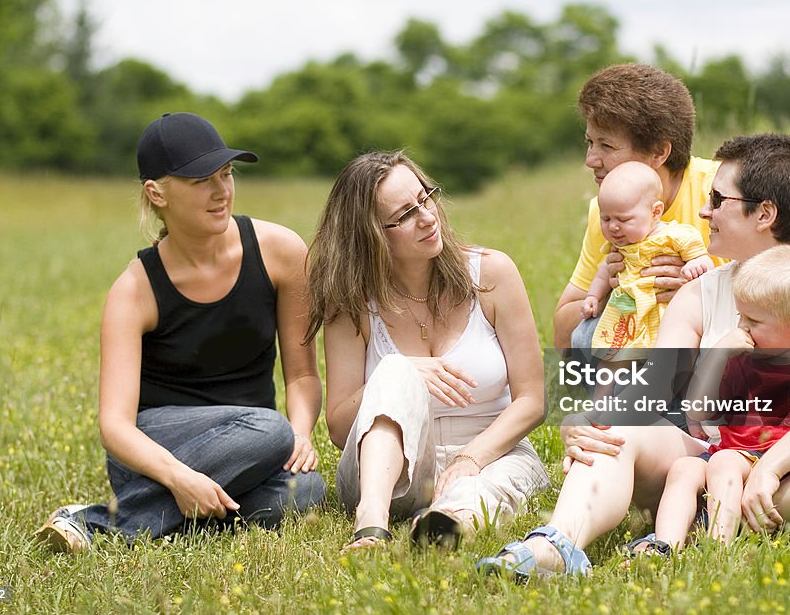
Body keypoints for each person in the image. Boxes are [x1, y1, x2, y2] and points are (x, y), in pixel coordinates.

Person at [479, 132, 790, 578]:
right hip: (713, 456)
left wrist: (773, 466)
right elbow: (654, 391)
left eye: (719, 200)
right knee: (614, 429)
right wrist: (590, 418)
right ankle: (556, 543)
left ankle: (723, 513)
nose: (704, 209)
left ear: (765, 214)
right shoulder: (700, 292)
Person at [35, 113, 325, 553]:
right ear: (157, 193)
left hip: (255, 453)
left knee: (304, 492)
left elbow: (302, 376)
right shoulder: (133, 291)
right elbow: (116, 426)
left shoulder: (281, 251)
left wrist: (300, 433)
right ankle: (97, 523)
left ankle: (138, 517)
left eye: (226, 174)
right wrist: (179, 477)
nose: (221, 190)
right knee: (270, 429)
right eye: (200, 180)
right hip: (155, 454)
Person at [305, 150, 548, 551]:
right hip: (388, 471)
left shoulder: (492, 274)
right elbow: (338, 426)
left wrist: (471, 459)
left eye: (426, 197)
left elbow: (533, 400)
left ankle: (447, 524)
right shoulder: (351, 301)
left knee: (485, 488)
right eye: (404, 215)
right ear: (369, 234)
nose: (428, 216)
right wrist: (400, 373)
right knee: (396, 370)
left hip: (492, 454)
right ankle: (371, 525)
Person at [638, 245, 790, 556]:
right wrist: (717, 357)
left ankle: (717, 551)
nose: (741, 328)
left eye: (752, 320)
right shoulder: (741, 360)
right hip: (735, 452)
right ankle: (664, 545)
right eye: (740, 316)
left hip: (782, 461)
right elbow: (698, 413)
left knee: (723, 462)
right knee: (683, 469)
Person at [554, 62, 727, 355]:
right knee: (589, 334)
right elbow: (564, 334)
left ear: (659, 152)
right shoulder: (609, 212)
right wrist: (611, 289)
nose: (590, 160)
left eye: (606, 146)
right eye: (590, 143)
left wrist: (699, 296)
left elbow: (787, 296)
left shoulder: (723, 192)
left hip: (714, 351)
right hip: (639, 358)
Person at [580, 162, 713, 362]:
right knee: (608, 363)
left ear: (655, 212)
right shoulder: (619, 245)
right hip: (626, 319)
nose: (614, 227)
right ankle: (602, 394)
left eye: (623, 220)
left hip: (663, 318)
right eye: (606, 219)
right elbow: (604, 270)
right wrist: (593, 296)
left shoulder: (675, 235)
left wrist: (695, 265)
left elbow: (704, 261)